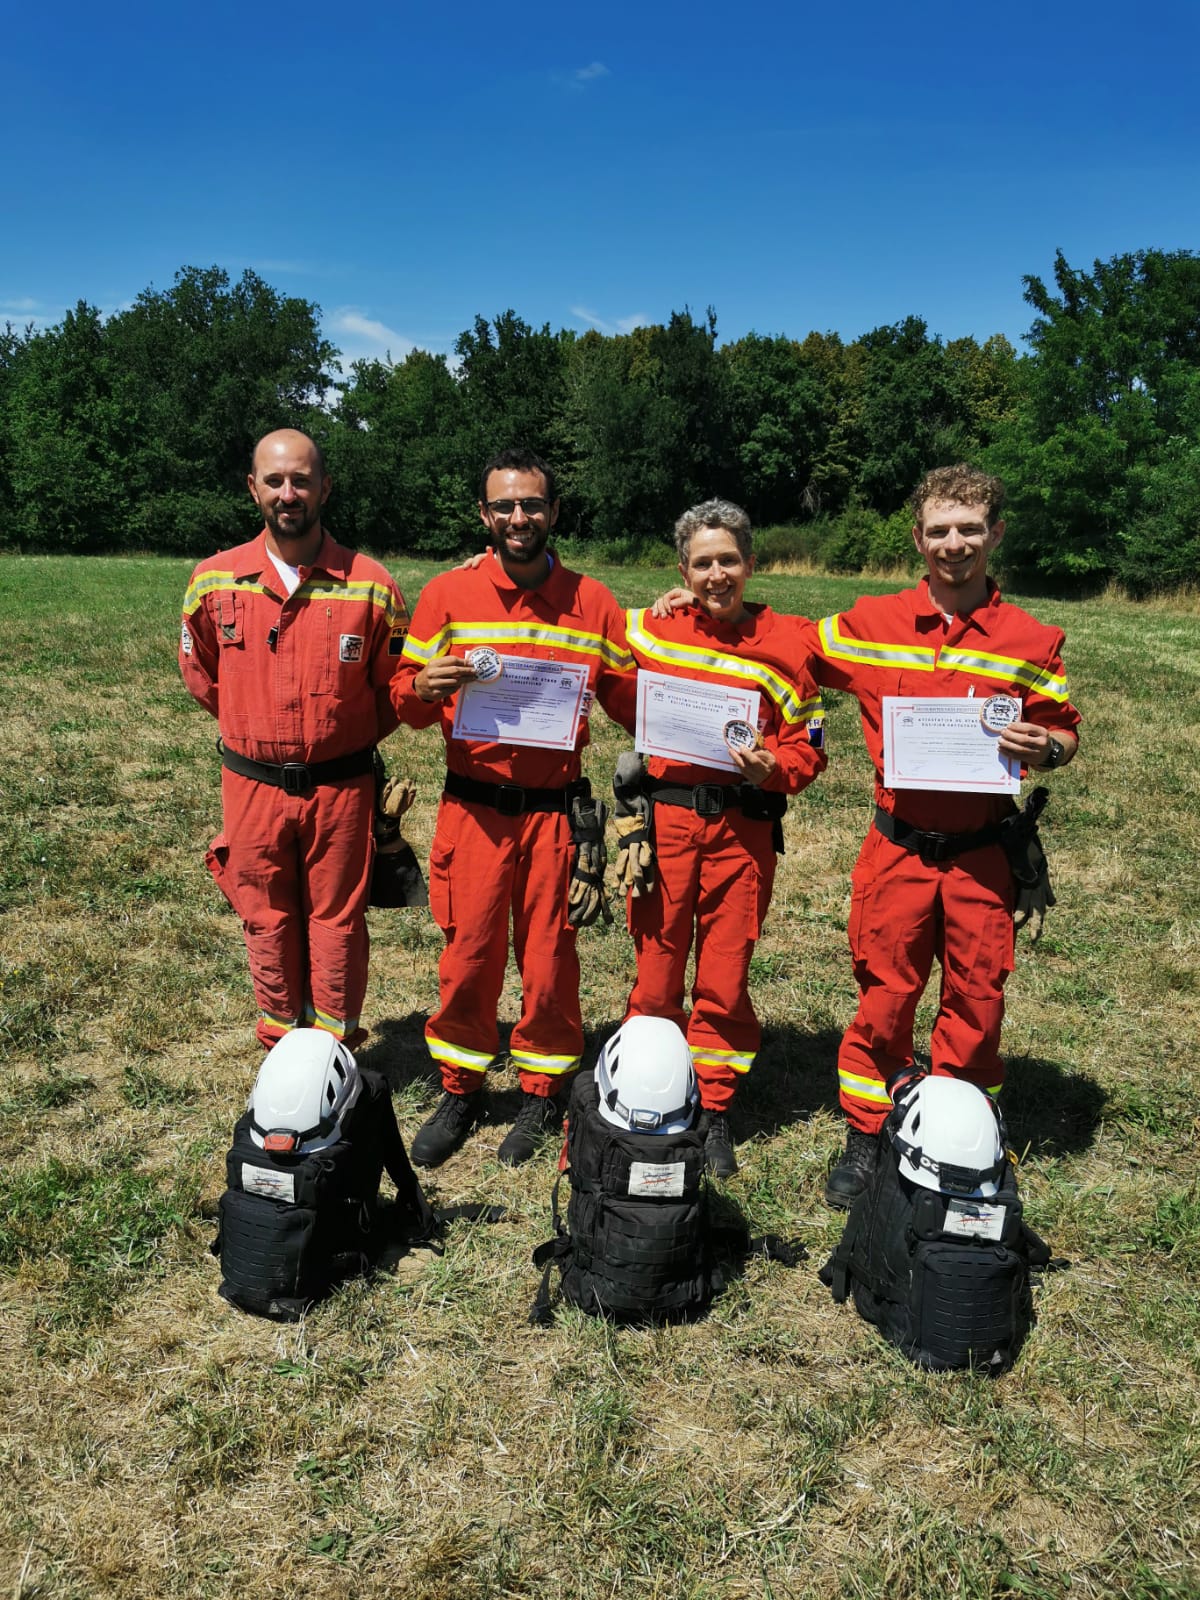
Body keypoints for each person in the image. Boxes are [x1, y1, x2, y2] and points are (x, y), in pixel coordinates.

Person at [814, 465, 1080, 1206]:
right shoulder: (873, 622)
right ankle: (867, 1132)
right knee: (885, 996)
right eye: (939, 530)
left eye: (969, 528)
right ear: (918, 537)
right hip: (897, 849)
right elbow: (789, 646)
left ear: (996, 532)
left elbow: (1063, 728)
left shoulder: (1030, 638)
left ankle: (959, 1130)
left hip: (982, 859)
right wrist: (697, 601)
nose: (954, 543)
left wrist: (1048, 748)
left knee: (977, 998)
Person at [391, 447, 637, 1168]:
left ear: (554, 512)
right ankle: (461, 1086)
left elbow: (629, 696)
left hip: (555, 812)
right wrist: (423, 686)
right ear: (484, 514)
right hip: (473, 810)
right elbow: (404, 701)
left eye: (532, 504)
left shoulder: (593, 602)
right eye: (505, 506)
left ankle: (541, 1088)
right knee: (468, 954)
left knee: (550, 958)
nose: (519, 517)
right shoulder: (446, 595)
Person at [180, 428, 410, 1053]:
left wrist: (337, 737)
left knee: (337, 922)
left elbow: (393, 691)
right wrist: (252, 728)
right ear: (253, 488)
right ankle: (282, 1045)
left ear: (324, 487)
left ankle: (333, 1050)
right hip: (250, 783)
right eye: (275, 480)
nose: (289, 493)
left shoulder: (371, 585)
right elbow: (202, 674)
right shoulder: (212, 580)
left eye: (301, 480)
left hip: (342, 787)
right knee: (265, 916)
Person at [624, 500, 826, 1176]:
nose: (717, 574)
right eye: (702, 563)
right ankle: (647, 1095)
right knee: (656, 967)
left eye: (728, 560)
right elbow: (565, 625)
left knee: (725, 971)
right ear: (682, 570)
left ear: (751, 563)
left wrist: (780, 769)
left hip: (743, 829)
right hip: (668, 824)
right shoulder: (654, 628)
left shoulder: (789, 641)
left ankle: (713, 1107)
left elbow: (809, 747)